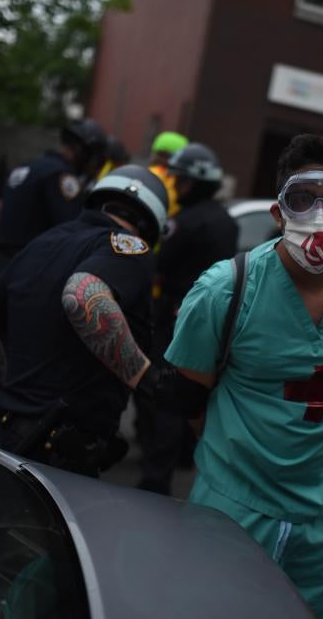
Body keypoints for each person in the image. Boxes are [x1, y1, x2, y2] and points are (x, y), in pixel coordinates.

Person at [157, 134, 323, 618]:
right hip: (234, 508)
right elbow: (188, 397)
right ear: (277, 212)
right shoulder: (224, 292)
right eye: (303, 199)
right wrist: (233, 461)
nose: (320, 215)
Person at [0, 164, 167, 480]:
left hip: (2, 432)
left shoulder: (42, 242)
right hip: (60, 455)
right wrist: (145, 376)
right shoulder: (130, 247)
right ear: (150, 225)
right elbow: (81, 297)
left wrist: (8, 395)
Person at [137, 142, 238, 495]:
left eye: (180, 180)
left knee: (166, 393)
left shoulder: (184, 222)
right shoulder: (227, 221)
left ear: (193, 183)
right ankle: (183, 456)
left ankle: (155, 478)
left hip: (175, 315)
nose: (176, 186)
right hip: (211, 319)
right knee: (198, 386)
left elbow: (158, 264)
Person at [0, 119, 107, 291]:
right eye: (93, 156)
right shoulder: (62, 176)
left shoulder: (28, 167)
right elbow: (73, 231)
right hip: (25, 274)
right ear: (81, 150)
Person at [147, 130, 188, 218]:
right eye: (160, 154)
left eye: (169, 157)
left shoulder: (179, 182)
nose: (163, 160)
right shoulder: (146, 172)